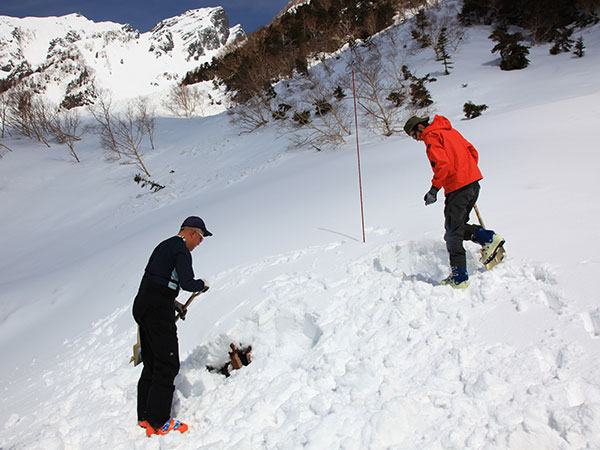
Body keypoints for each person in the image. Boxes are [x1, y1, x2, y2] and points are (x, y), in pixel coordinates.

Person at [132, 216, 212, 436]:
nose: (200, 242)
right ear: (191, 232)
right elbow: (187, 282)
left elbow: (156, 278)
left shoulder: (164, 245)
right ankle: (158, 422)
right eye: (200, 236)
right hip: (158, 310)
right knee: (167, 364)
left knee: (152, 361)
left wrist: (172, 302)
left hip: (144, 305)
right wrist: (201, 286)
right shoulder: (181, 250)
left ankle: (145, 417)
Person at [404, 115, 504, 288]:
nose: (417, 139)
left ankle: (459, 276)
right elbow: (472, 151)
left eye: (415, 135)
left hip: (457, 188)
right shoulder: (450, 131)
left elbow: (442, 164)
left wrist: (434, 189)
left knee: (452, 233)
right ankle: (487, 238)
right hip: (472, 184)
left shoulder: (431, 136)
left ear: (420, 127)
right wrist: (468, 172)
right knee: (456, 228)